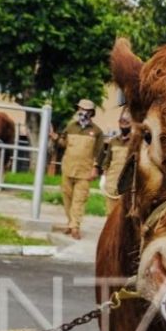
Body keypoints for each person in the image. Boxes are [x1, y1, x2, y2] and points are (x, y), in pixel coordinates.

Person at [55, 98, 103, 238]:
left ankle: (75, 227)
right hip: (68, 168)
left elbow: (99, 153)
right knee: (67, 198)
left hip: (85, 172)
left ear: (91, 113)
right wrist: (55, 137)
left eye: (86, 110)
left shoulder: (97, 131)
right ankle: (70, 223)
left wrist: (95, 168)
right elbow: (63, 144)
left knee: (79, 200)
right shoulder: (70, 127)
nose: (82, 112)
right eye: (80, 109)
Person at [99, 110, 132, 201]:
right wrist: (103, 177)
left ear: (132, 123)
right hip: (111, 183)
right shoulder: (113, 141)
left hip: (127, 185)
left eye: (127, 122)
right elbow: (107, 160)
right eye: (122, 121)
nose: (124, 124)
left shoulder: (135, 142)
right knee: (110, 213)